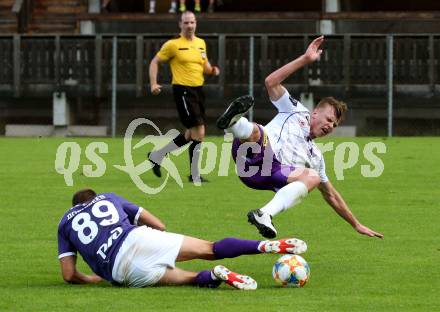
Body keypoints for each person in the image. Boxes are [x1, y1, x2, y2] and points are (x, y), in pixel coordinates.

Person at [216, 36, 384, 240]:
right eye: (329, 119)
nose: (330, 126)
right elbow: (271, 82)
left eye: (334, 125)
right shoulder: (296, 110)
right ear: (315, 113)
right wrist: (305, 59)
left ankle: (265, 214)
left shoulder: (316, 157)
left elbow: (330, 195)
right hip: (250, 154)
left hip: (265, 175)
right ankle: (233, 123)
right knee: (258, 132)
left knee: (313, 176)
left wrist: (356, 224)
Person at [58, 189, 307, 289]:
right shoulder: (107, 197)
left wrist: (91, 278)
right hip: (137, 237)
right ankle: (265, 246)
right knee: (210, 248)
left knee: (186, 278)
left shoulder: (64, 223)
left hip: (119, 272)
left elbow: (68, 274)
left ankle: (214, 275)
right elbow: (159, 225)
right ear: (92, 198)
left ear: (75, 205)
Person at [148, 11, 220, 184]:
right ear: (180, 24)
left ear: (196, 24)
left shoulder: (201, 43)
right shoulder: (173, 45)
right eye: (186, 23)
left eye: (192, 22)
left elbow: (205, 66)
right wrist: (153, 83)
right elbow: (154, 62)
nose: (190, 26)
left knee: (190, 134)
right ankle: (194, 175)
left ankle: (157, 155)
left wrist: (213, 70)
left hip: (198, 91)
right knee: (199, 131)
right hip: (183, 91)